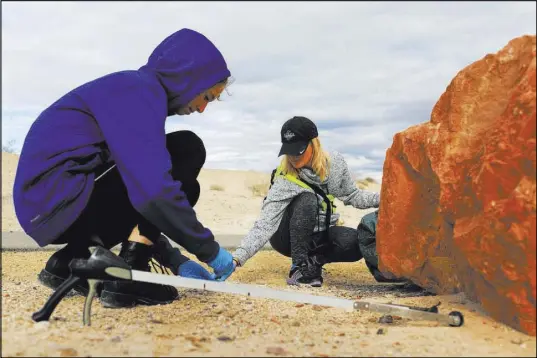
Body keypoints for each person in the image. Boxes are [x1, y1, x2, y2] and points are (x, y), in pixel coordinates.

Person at [13, 28, 236, 309]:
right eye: (208, 97)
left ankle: (71, 262)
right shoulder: (140, 92)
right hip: (60, 199)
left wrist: (173, 257)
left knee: (164, 172)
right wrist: (210, 250)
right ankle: (131, 276)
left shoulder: (134, 92)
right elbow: (153, 194)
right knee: (185, 151)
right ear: (190, 78)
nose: (202, 109)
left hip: (52, 203)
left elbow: (138, 190)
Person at [231, 116, 381, 287]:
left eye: (298, 149)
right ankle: (299, 267)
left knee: (355, 242)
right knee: (307, 199)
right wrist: (237, 258)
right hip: (286, 237)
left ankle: (313, 262)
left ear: (314, 144)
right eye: (289, 150)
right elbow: (265, 224)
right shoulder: (285, 178)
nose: (293, 156)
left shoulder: (335, 164)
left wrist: (384, 200)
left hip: (318, 234)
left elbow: (353, 195)